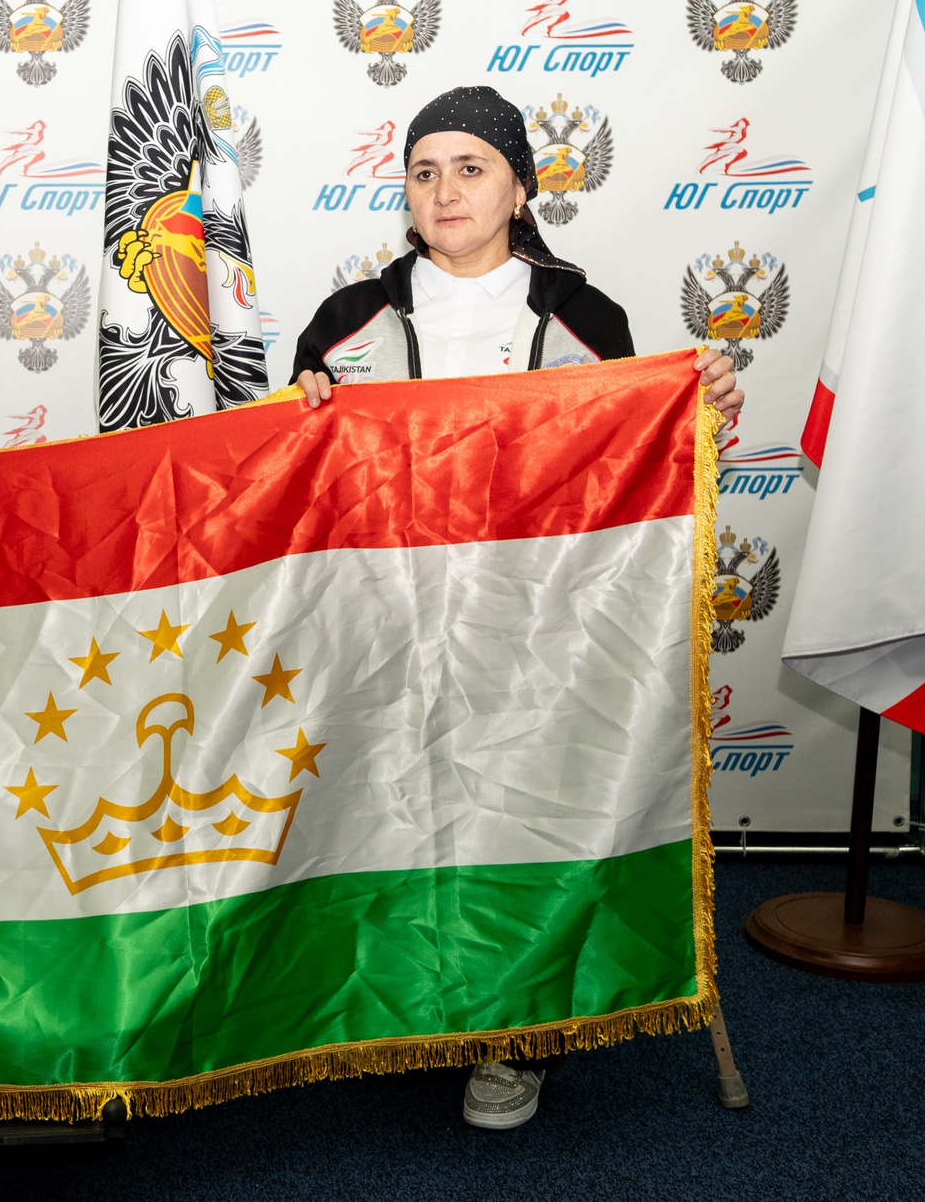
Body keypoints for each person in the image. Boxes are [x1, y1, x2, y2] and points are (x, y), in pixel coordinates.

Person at [289, 86, 744, 1132]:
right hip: (384, 616)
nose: (445, 189)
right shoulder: (348, 322)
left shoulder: (586, 318)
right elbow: (298, 483)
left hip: (540, 625)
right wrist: (298, 408)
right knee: (382, 810)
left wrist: (700, 404)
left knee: (526, 817)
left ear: (521, 189)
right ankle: (401, 1006)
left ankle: (516, 1034)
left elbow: (637, 462)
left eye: (471, 167)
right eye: (424, 171)